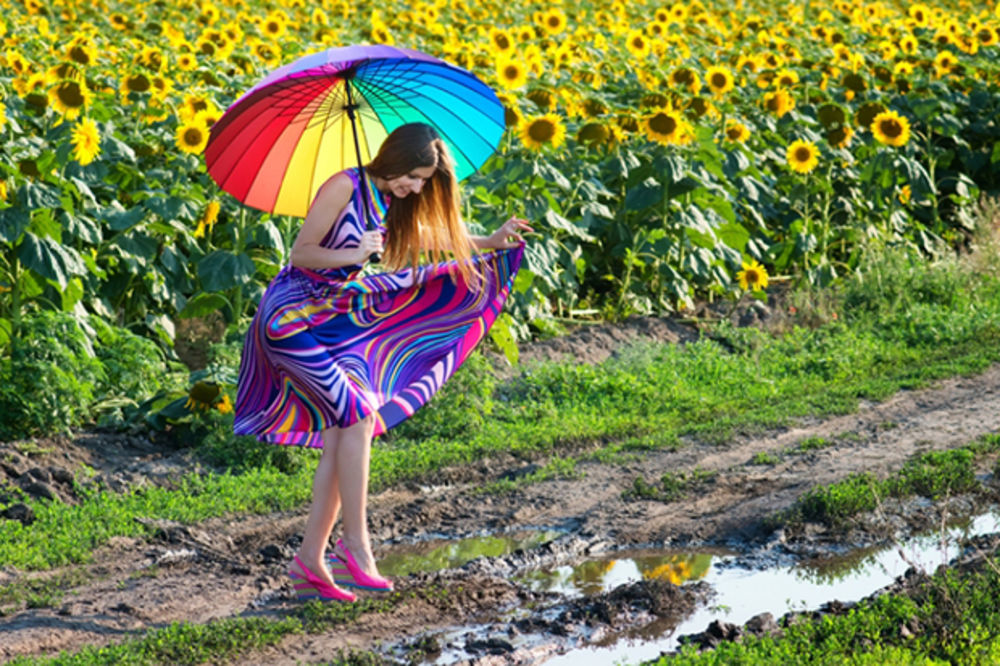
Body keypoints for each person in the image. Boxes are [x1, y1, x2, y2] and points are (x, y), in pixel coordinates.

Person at [234, 122, 531, 602]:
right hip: (291, 317)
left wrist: (491, 242)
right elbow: (301, 252)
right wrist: (356, 250)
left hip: (330, 314)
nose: (415, 188)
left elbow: (428, 235)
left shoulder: (386, 200)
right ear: (395, 160)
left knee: (345, 429)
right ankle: (355, 547)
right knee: (358, 416)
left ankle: (311, 560)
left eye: (421, 181)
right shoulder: (342, 185)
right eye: (413, 176)